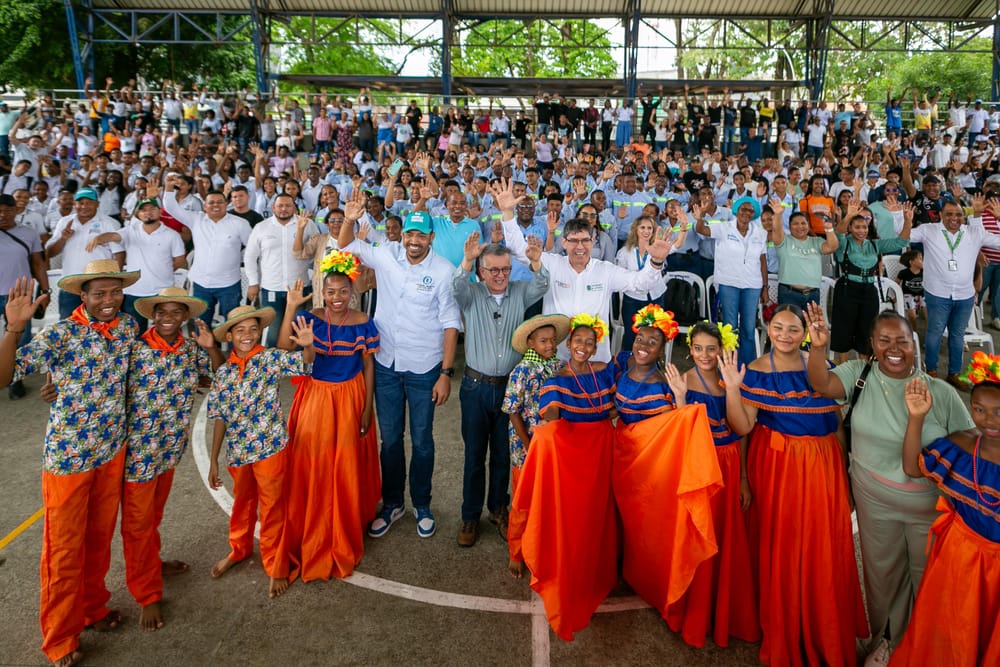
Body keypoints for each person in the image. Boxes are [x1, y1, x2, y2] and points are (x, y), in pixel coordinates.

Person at [805, 304, 973, 662]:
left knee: (927, 577)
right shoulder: (857, 373)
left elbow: (966, 446)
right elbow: (821, 384)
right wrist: (818, 348)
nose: (894, 348)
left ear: (915, 344)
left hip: (928, 507)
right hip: (873, 500)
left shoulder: (941, 393)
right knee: (881, 577)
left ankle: (922, 645)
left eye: (902, 340)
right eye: (884, 340)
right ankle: (887, 640)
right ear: (871, 343)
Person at [0, 261, 137, 667]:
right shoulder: (60, 335)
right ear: (83, 296)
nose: (109, 301)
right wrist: (14, 328)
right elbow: (4, 374)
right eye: (99, 294)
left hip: (112, 450)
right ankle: (60, 638)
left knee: (98, 539)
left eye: (115, 292)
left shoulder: (128, 328)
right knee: (63, 551)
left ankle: (93, 608)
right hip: (69, 459)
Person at [726, 304, 869, 666]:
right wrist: (731, 388)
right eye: (778, 327)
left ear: (805, 332)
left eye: (793, 329)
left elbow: (836, 424)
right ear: (767, 328)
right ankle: (785, 626)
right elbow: (743, 429)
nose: (785, 335)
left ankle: (823, 627)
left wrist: (846, 477)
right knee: (783, 545)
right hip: (777, 466)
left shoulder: (822, 367)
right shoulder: (756, 371)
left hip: (823, 465)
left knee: (823, 545)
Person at [339, 203, 462, 540]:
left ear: (431, 238)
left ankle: (422, 504)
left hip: (425, 368)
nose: (413, 240)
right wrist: (350, 219)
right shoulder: (386, 253)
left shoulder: (444, 271)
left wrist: (446, 373)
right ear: (403, 234)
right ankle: (393, 504)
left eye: (421, 235)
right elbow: (346, 245)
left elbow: (451, 324)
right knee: (390, 440)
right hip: (386, 366)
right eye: (409, 233)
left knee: (422, 441)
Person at [611, 306, 726, 647]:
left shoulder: (662, 383)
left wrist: (678, 398)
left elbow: (673, 428)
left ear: (664, 350)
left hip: (647, 466)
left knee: (643, 523)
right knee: (619, 519)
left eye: (653, 341)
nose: (644, 344)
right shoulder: (621, 363)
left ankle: (643, 576)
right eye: (641, 338)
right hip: (618, 455)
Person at [121, 288, 223, 629]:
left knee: (152, 516)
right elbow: (103, 383)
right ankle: (147, 594)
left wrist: (211, 349)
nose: (168, 318)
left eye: (175, 313)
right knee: (137, 525)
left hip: (168, 451)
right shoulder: (135, 349)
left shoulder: (190, 351)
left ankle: (152, 562)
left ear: (185, 317)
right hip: (137, 454)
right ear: (152, 315)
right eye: (162, 312)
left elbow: (217, 378)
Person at [511, 314, 618, 640]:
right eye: (578, 341)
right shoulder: (556, 377)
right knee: (565, 516)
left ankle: (593, 568)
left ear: (595, 345)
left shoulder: (603, 374)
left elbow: (614, 407)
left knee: (594, 517)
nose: (583, 346)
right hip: (570, 459)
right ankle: (534, 559)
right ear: (568, 345)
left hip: (599, 456)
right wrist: (546, 434)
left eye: (589, 342)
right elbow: (551, 413)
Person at [276, 255, 381, 582]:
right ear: (322, 292)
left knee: (345, 465)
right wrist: (291, 308)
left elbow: (367, 366)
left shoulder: (363, 320)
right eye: (330, 291)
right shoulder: (311, 318)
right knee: (316, 465)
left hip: (351, 398)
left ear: (352, 292)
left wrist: (367, 407)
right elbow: (283, 351)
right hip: (317, 400)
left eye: (343, 292)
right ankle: (317, 527)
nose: (336, 298)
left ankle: (346, 523)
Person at [496, 180, 681, 362]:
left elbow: (641, 284)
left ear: (592, 243)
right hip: (558, 357)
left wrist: (656, 261)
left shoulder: (605, 270)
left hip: (596, 360)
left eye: (585, 240)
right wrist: (507, 213)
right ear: (564, 242)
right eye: (574, 241)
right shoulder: (552, 263)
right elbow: (518, 248)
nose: (580, 246)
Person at [893, 356, 1000, 666]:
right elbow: (913, 466)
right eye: (979, 410)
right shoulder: (962, 446)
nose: (988, 421)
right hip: (959, 558)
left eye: (998, 412)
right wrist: (916, 418)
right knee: (953, 626)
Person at [206, 305, 315, 599]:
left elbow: (303, 365)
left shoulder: (268, 359)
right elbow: (219, 416)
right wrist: (214, 459)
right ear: (228, 335)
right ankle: (238, 549)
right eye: (240, 330)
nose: (248, 335)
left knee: (272, 508)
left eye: (254, 329)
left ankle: (276, 564)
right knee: (242, 503)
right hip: (238, 452)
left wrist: (308, 347)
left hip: (271, 449)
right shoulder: (224, 372)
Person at [453, 234, 549, 547]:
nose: (499, 276)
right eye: (493, 270)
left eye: (505, 269)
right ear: (481, 271)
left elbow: (542, 283)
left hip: (510, 388)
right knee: (474, 455)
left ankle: (497, 508)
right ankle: (470, 514)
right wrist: (466, 260)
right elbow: (456, 286)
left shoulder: (520, 292)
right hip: (475, 386)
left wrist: (534, 261)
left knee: (503, 453)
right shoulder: (472, 293)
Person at [672, 321, 760, 648]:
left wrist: (743, 479)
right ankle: (697, 611)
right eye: (698, 348)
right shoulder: (683, 381)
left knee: (725, 539)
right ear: (690, 349)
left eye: (711, 348)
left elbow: (742, 433)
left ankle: (723, 612)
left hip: (728, 464)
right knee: (699, 537)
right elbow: (680, 435)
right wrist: (680, 401)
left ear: (721, 349)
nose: (705, 355)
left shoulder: (731, 380)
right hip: (699, 468)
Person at [909, 197, 1000, 390]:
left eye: (958, 214)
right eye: (949, 214)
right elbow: (902, 236)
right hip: (938, 293)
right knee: (935, 333)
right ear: (940, 215)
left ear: (963, 216)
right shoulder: (928, 230)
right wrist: (902, 217)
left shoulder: (974, 232)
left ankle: (954, 373)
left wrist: (998, 219)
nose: (954, 218)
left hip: (964, 295)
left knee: (957, 336)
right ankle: (931, 371)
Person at [502, 314, 569, 578]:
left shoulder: (558, 366)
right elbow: (513, 411)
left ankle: (542, 547)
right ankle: (516, 552)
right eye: (543, 341)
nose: (550, 345)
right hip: (526, 449)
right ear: (530, 343)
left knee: (548, 501)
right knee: (523, 502)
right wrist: (529, 445)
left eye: (553, 340)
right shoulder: (522, 371)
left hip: (553, 445)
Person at [84, 197, 186, 332]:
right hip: (134, 292)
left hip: (162, 291)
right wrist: (100, 237)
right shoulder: (130, 231)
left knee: (165, 331)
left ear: (160, 211)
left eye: (152, 209)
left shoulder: (172, 235)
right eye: (143, 210)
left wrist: (163, 270)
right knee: (135, 332)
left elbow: (179, 259)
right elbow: (114, 236)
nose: (148, 212)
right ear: (138, 215)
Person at [831, 201, 912, 363]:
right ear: (851, 228)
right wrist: (848, 216)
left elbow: (900, 242)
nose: (861, 230)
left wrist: (908, 221)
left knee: (867, 330)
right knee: (844, 330)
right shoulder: (844, 244)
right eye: (857, 227)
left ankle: (864, 370)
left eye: (864, 227)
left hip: (868, 289)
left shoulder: (874, 245)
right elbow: (838, 232)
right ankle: (843, 369)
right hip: (847, 289)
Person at [695, 196, 768, 368]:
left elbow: (762, 261)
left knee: (749, 329)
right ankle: (729, 366)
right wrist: (701, 215)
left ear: (754, 214)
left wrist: (765, 287)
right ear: (736, 210)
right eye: (743, 209)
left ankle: (749, 368)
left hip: (752, 285)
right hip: (729, 283)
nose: (746, 213)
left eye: (750, 210)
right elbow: (701, 230)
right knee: (731, 327)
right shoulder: (724, 228)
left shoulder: (760, 233)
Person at [244, 196, 319, 347]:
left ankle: (295, 367)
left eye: (288, 206)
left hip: (299, 288)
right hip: (271, 288)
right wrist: (253, 283)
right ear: (273, 208)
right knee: (272, 331)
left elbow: (316, 250)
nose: (284, 209)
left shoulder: (307, 224)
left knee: (298, 331)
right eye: (280, 206)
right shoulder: (261, 227)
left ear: (294, 207)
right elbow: (250, 257)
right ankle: (271, 367)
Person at [46, 187, 124, 318]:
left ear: (97, 204)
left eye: (89, 202)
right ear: (74, 204)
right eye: (80, 203)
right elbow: (49, 252)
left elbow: (119, 254)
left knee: (101, 326)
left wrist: (115, 283)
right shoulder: (65, 222)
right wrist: (63, 238)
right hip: (70, 286)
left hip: (100, 288)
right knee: (68, 327)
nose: (84, 206)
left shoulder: (110, 223)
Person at [0, 193, 49, 400]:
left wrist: (46, 291)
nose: (2, 214)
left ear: (15, 211)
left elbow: (38, 263)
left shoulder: (28, 233)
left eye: (7, 210)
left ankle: (15, 378)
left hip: (19, 295)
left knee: (22, 338)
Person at [764, 203, 838, 310]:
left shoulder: (816, 241)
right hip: (789, 294)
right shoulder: (784, 241)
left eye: (803, 223)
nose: (800, 227)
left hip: (813, 294)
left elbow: (832, 247)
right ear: (789, 226)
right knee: (791, 326)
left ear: (808, 225)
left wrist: (829, 228)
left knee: (810, 327)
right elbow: (776, 230)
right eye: (795, 224)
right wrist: (778, 214)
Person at [615, 215, 670, 351]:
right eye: (642, 227)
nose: (646, 231)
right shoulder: (625, 252)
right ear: (636, 230)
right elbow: (620, 276)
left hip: (655, 296)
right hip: (633, 298)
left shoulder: (657, 248)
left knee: (655, 334)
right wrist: (637, 274)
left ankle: (652, 364)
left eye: (649, 228)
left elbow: (660, 269)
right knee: (631, 333)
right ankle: (628, 363)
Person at [897, 248, 925, 331]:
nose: (922, 261)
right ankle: (914, 332)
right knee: (911, 315)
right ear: (911, 262)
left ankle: (928, 336)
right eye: (920, 259)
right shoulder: (904, 272)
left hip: (922, 295)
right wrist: (895, 296)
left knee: (929, 315)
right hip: (908, 295)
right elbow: (896, 284)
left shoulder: (925, 272)